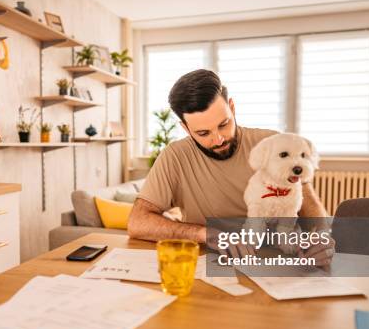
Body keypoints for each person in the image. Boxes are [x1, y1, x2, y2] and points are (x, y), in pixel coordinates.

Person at [128, 69, 334, 266]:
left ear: (232, 108)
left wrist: (322, 238)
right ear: (185, 127)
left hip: (281, 262)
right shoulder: (175, 157)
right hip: (211, 266)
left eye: (224, 124)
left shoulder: (273, 142)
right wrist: (206, 234)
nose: (218, 139)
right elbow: (138, 222)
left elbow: (310, 206)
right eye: (203, 133)